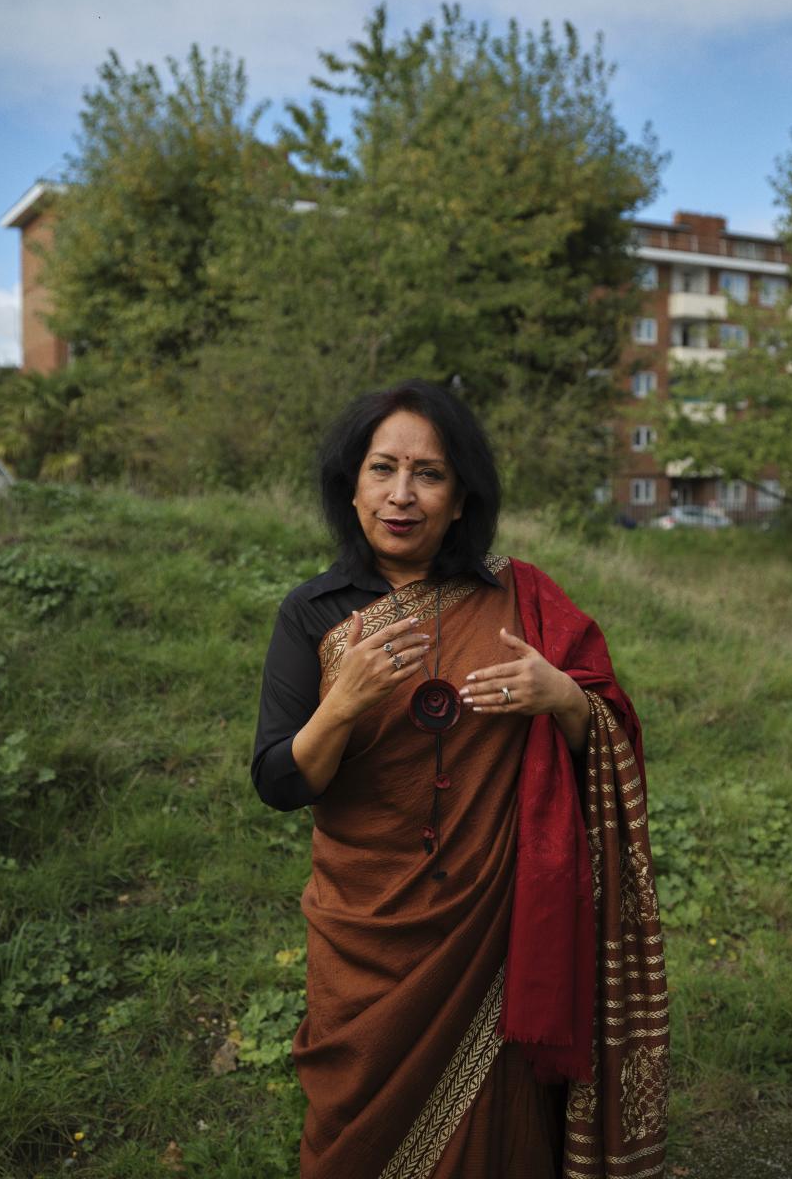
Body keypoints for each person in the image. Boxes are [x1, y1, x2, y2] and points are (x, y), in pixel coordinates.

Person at [252, 380, 668, 1179]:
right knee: (354, 1130)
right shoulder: (313, 613)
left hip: (496, 931)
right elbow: (278, 780)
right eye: (382, 469)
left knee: (497, 1138)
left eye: (428, 474)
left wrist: (564, 700)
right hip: (364, 930)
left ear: (461, 495)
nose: (401, 495)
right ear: (352, 485)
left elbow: (608, 724)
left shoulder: (521, 596)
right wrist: (343, 704)